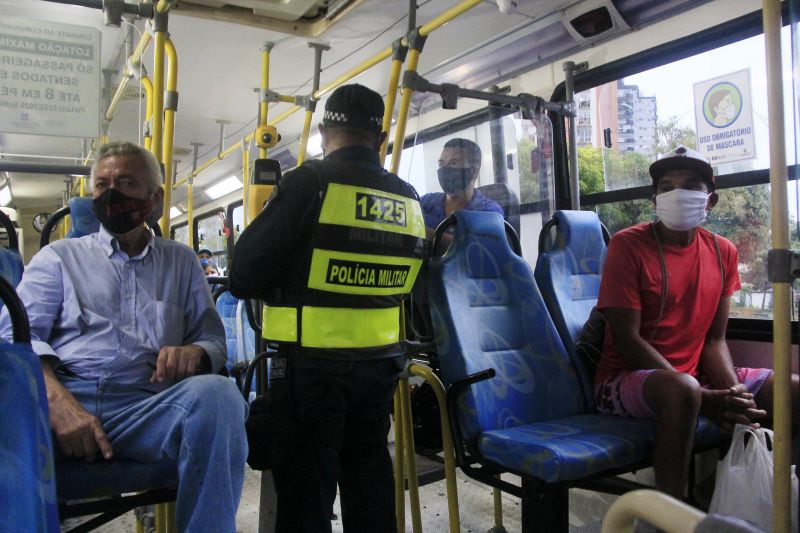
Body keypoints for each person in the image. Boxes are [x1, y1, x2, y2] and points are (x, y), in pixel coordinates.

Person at [0, 142, 248, 532]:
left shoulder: (181, 262)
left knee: (220, 398)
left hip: (147, 409)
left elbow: (213, 340)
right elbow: (13, 337)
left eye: (126, 183)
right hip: (66, 396)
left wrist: (196, 353)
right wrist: (55, 401)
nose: (110, 194)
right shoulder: (59, 258)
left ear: (155, 199)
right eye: (101, 185)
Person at [229, 84, 425, 533]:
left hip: (311, 368)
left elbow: (243, 275)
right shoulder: (408, 198)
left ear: (322, 133)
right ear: (380, 138)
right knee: (370, 481)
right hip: (381, 366)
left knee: (305, 497)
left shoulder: (310, 182)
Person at [595, 145, 798, 498]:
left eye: (690, 186)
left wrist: (733, 393)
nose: (677, 194)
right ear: (654, 198)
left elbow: (714, 340)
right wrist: (703, 396)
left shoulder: (723, 252)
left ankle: (715, 497)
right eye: (667, 187)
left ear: (711, 200)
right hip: (623, 379)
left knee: (791, 389)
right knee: (683, 390)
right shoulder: (628, 246)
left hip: (692, 376)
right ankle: (666, 515)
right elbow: (626, 339)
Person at [420, 138, 503, 235]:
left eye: (453, 163)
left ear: (474, 171)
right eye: (441, 163)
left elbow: (475, 246)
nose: (445, 169)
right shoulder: (425, 202)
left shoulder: (489, 211)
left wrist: (421, 232)